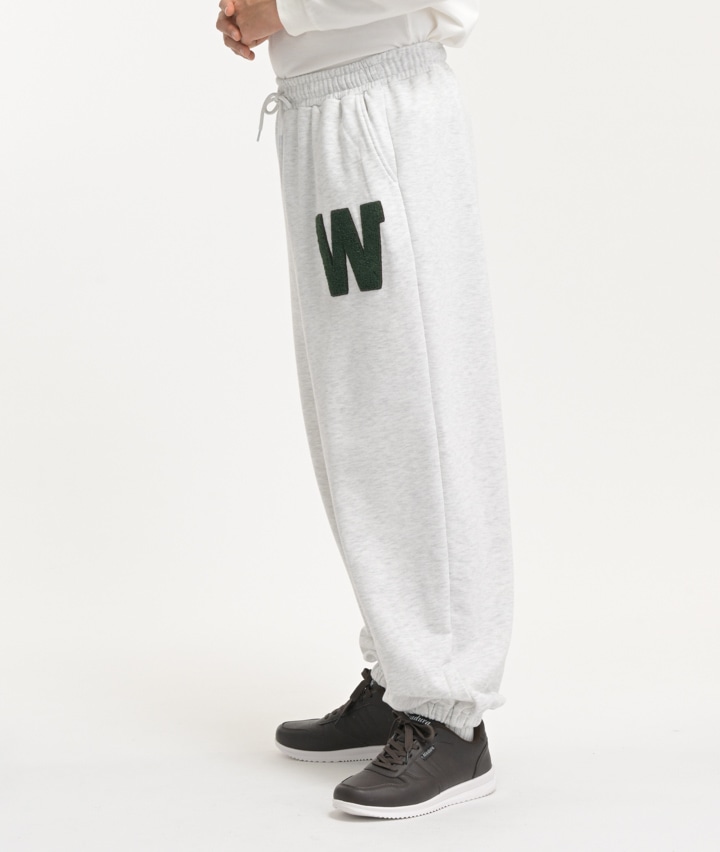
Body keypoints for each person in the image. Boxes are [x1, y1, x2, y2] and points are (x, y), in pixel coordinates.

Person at [215, 0, 515, 820]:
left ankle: (450, 716)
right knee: (358, 418)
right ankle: (401, 676)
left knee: (416, 409)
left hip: (381, 109)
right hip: (323, 110)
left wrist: (282, 9)